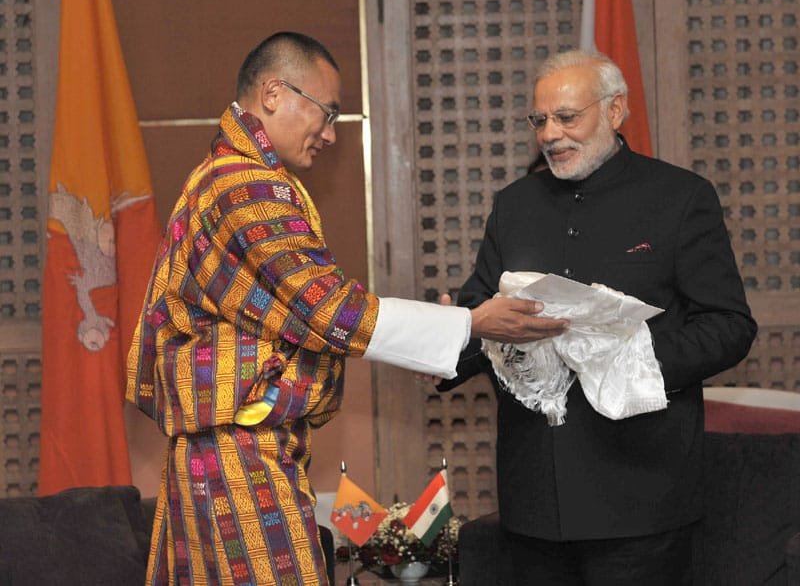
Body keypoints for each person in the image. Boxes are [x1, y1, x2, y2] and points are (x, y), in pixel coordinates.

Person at [125, 31, 565, 586]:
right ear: (274, 93)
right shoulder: (247, 184)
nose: (332, 135)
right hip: (240, 453)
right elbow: (329, 310)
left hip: (225, 446)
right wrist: (472, 322)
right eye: (327, 113)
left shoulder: (223, 174)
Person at [438, 49, 757, 584]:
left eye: (568, 117)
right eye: (539, 120)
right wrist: (445, 347)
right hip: (534, 496)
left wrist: (628, 358)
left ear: (614, 111)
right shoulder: (514, 205)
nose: (551, 134)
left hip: (641, 494)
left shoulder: (680, 198)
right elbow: (485, 312)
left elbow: (729, 325)